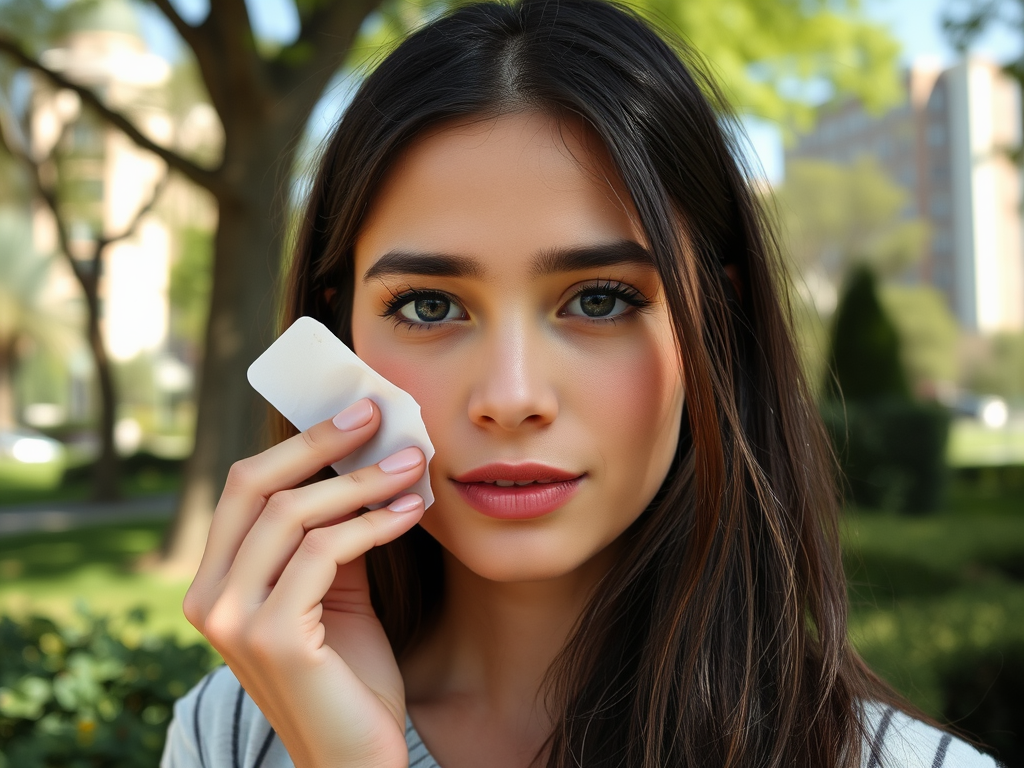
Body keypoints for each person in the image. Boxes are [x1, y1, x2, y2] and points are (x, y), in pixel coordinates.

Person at [161, 1, 1001, 766]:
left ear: (720, 325)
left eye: (599, 300)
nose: (513, 394)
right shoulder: (228, 735)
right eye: (427, 304)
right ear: (337, 331)